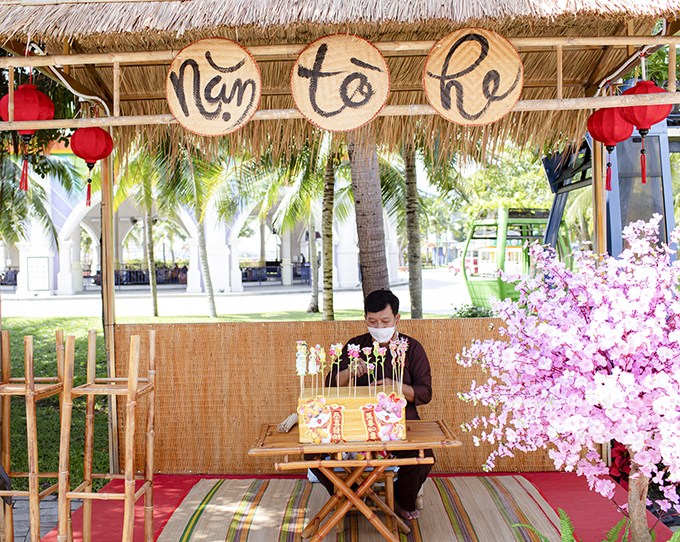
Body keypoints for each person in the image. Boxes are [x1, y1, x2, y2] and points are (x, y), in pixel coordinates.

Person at [310, 289, 433, 521]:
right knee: (312, 454)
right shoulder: (356, 347)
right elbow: (330, 385)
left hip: (400, 424)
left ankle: (401, 498)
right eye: (372, 321)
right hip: (356, 425)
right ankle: (349, 495)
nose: (379, 326)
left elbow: (425, 393)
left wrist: (395, 386)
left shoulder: (411, 349)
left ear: (397, 319)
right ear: (365, 319)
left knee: (424, 456)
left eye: (385, 321)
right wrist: (349, 371)